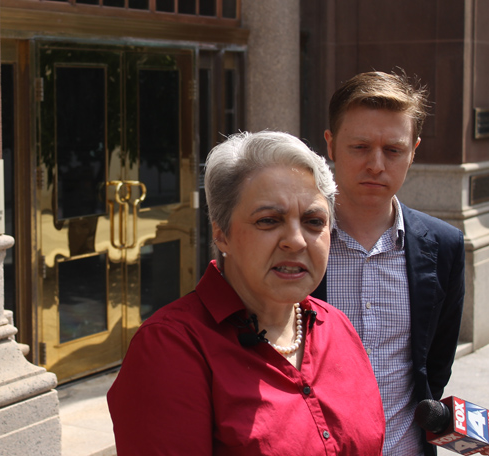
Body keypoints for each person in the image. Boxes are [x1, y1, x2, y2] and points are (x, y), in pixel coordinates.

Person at [107, 131, 385, 455]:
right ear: (222, 235)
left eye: (313, 221)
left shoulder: (335, 326)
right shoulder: (172, 347)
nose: (296, 241)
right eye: (268, 220)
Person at [312, 71, 465, 456]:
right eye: (360, 147)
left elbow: (435, 365)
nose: (376, 165)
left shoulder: (444, 246)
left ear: (413, 150)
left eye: (393, 150)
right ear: (330, 145)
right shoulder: (293, 243)